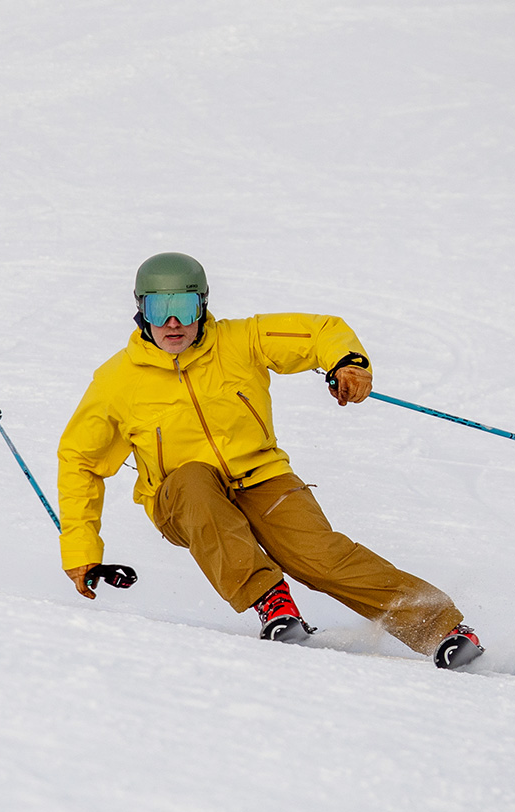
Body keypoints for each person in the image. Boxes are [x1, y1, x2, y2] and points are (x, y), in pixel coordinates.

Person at [57, 252, 483, 669]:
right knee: (193, 479)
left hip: (261, 477)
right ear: (140, 311)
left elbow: (319, 332)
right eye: (159, 308)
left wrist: (347, 363)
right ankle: (271, 601)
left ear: (202, 306)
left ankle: (442, 629)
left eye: (184, 307)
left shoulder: (241, 340)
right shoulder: (117, 381)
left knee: (319, 556)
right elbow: (80, 460)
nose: (173, 322)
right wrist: (81, 549)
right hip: (182, 500)